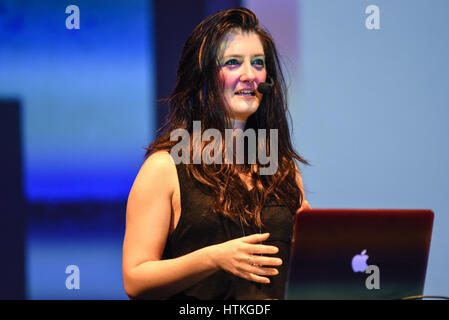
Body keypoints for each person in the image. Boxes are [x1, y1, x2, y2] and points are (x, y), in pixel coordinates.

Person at [122, 7, 311, 300]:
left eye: (258, 63)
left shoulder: (281, 168)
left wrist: (309, 241)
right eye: (233, 63)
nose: (250, 75)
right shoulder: (165, 168)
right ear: (204, 78)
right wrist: (213, 258)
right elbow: (135, 279)